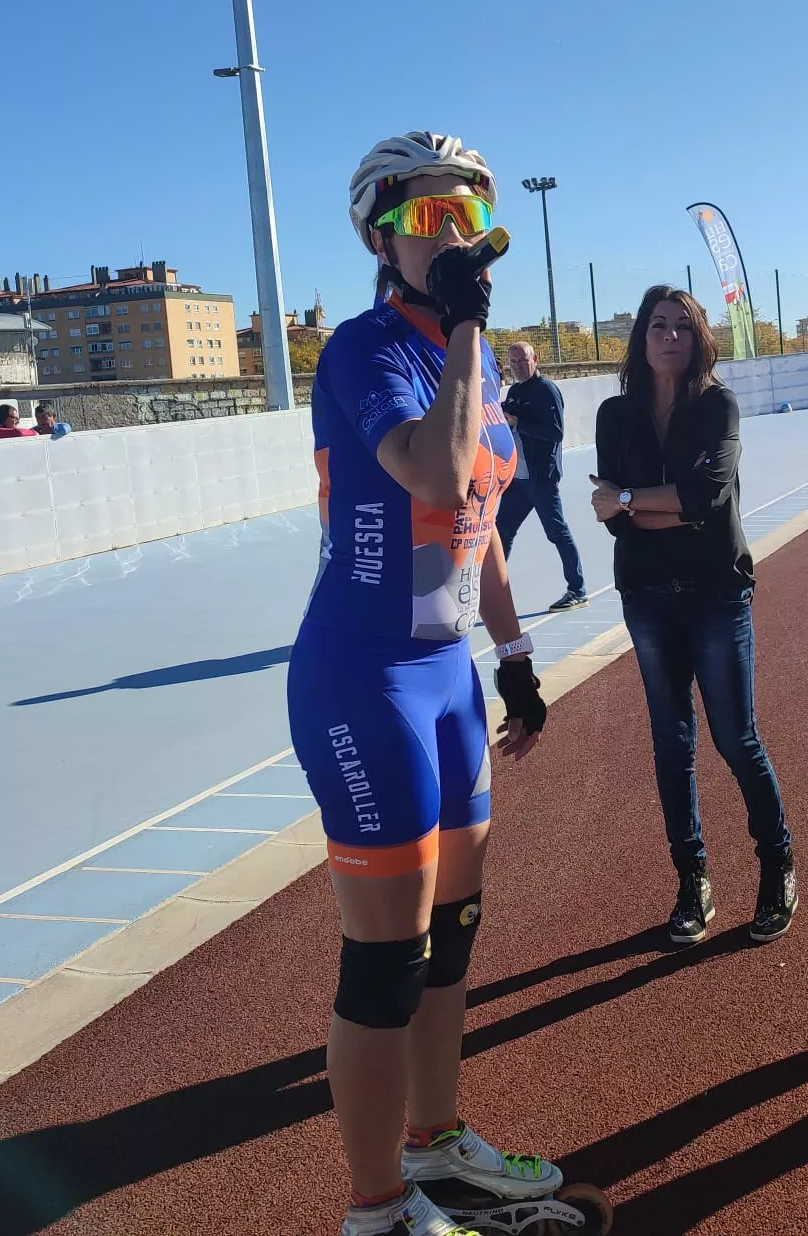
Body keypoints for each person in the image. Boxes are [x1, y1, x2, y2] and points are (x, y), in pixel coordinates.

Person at [289, 133, 593, 1236]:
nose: (453, 233)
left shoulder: (469, 356)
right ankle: (374, 1213)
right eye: (425, 219)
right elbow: (434, 468)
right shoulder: (365, 351)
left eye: (467, 213)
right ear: (379, 236)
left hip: (449, 677)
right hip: (364, 682)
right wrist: (465, 325)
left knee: (452, 938)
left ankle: (434, 1143)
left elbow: (482, 524)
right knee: (384, 963)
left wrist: (513, 661)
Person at [592, 285, 798, 947]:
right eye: (658, 325)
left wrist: (629, 499)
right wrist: (644, 504)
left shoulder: (718, 405)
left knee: (736, 738)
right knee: (671, 744)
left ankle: (778, 865)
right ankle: (693, 881)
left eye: (683, 326)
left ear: (700, 336)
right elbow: (614, 523)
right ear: (640, 338)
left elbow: (705, 502)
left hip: (716, 591)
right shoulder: (613, 414)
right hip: (646, 595)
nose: (671, 337)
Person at [497, 341, 588, 612]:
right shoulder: (514, 390)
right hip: (518, 480)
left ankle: (577, 589)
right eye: (513, 361)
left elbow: (556, 433)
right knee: (501, 534)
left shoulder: (546, 390)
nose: (518, 365)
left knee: (557, 533)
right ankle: (490, 592)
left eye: (523, 360)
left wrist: (518, 423)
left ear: (535, 359)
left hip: (541, 479)